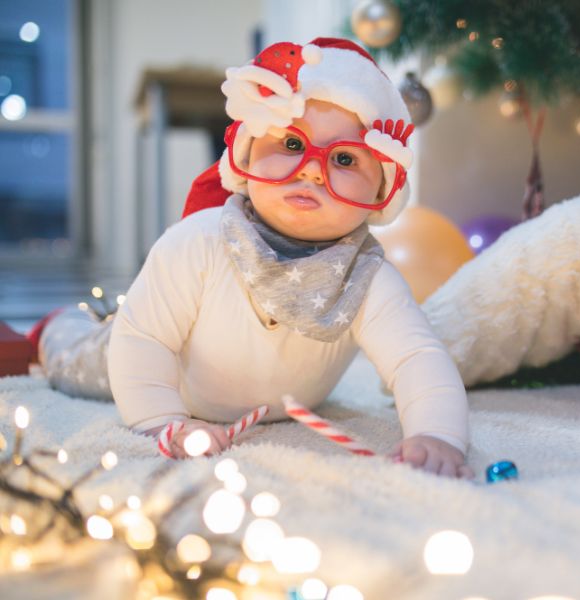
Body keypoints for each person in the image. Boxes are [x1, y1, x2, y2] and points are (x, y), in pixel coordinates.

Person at [33, 37, 473, 479]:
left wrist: (436, 435)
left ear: (380, 191)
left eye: (343, 158)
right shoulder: (197, 243)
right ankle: (61, 324)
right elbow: (144, 340)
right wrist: (162, 422)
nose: (311, 170)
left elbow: (416, 357)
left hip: (266, 401)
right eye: (292, 145)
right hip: (150, 365)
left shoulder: (369, 278)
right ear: (244, 153)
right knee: (77, 359)